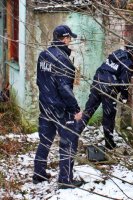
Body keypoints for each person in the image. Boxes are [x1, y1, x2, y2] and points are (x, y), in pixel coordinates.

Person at [33, 25, 84, 189]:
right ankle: (65, 179)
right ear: (65, 38)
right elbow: (65, 89)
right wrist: (75, 109)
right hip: (61, 109)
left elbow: (39, 81)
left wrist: (47, 99)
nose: (70, 42)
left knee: (45, 141)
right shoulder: (64, 60)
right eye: (70, 38)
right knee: (68, 142)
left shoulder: (43, 56)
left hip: (45, 106)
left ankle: (39, 173)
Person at [76, 46, 133, 149]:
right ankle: (109, 144)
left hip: (97, 83)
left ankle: (73, 135)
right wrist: (124, 96)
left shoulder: (115, 54)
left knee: (88, 111)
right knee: (108, 117)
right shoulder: (128, 62)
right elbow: (124, 82)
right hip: (109, 89)